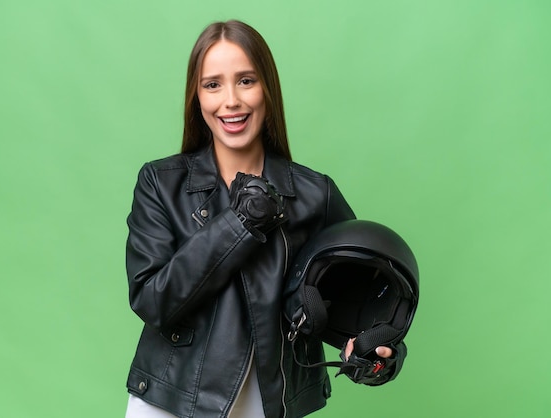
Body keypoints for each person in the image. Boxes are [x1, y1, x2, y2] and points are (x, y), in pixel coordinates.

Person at [124, 19, 406, 418]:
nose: (231, 101)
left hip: (271, 405)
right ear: (196, 97)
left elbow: (360, 301)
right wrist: (239, 224)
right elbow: (153, 301)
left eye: (246, 80)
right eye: (212, 84)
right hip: (170, 403)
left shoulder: (314, 194)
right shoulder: (160, 182)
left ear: (267, 90)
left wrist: (376, 350)